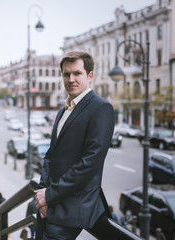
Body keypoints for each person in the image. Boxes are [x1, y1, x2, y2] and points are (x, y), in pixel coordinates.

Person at [34, 51, 115, 240]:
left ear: (90, 75)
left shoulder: (101, 108)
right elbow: (50, 156)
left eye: (77, 73)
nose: (71, 79)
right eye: (66, 74)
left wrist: (50, 195)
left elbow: (90, 163)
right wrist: (42, 194)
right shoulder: (64, 110)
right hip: (49, 206)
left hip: (71, 211)